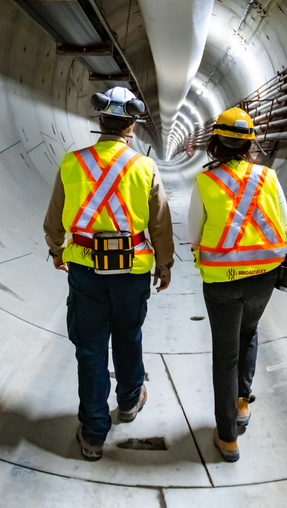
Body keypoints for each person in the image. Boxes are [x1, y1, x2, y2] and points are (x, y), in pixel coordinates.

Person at [43, 86, 174, 461]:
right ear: (131, 126)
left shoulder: (72, 162)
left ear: (100, 122)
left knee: (90, 349)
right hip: (131, 270)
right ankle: (130, 401)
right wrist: (163, 265)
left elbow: (54, 218)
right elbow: (160, 225)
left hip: (85, 268)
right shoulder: (145, 167)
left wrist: (56, 250)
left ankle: (94, 432)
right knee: (128, 337)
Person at [188, 107, 287, 462]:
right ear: (250, 144)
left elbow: (193, 234)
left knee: (225, 356)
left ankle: (228, 437)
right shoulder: (268, 177)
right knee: (249, 333)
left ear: (214, 143)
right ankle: (242, 403)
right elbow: (285, 223)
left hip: (222, 283)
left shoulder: (205, 182)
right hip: (265, 277)